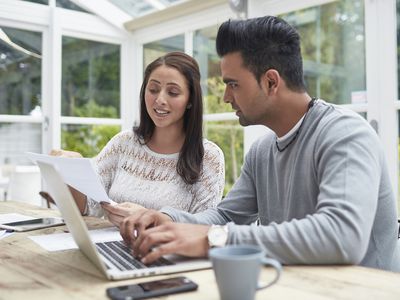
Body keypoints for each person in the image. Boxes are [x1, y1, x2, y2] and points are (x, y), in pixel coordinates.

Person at [119, 16, 400, 271]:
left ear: (270, 82)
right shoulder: (262, 151)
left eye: (233, 84)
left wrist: (214, 239)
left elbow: (342, 237)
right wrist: (166, 219)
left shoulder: (346, 134)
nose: (226, 97)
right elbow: (227, 216)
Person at [51, 52, 225, 227]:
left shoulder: (209, 157)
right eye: (153, 90)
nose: (160, 99)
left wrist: (149, 218)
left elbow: (204, 230)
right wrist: (72, 170)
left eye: (172, 92)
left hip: (164, 252)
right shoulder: (123, 143)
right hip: (110, 248)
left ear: (190, 100)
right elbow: (87, 206)